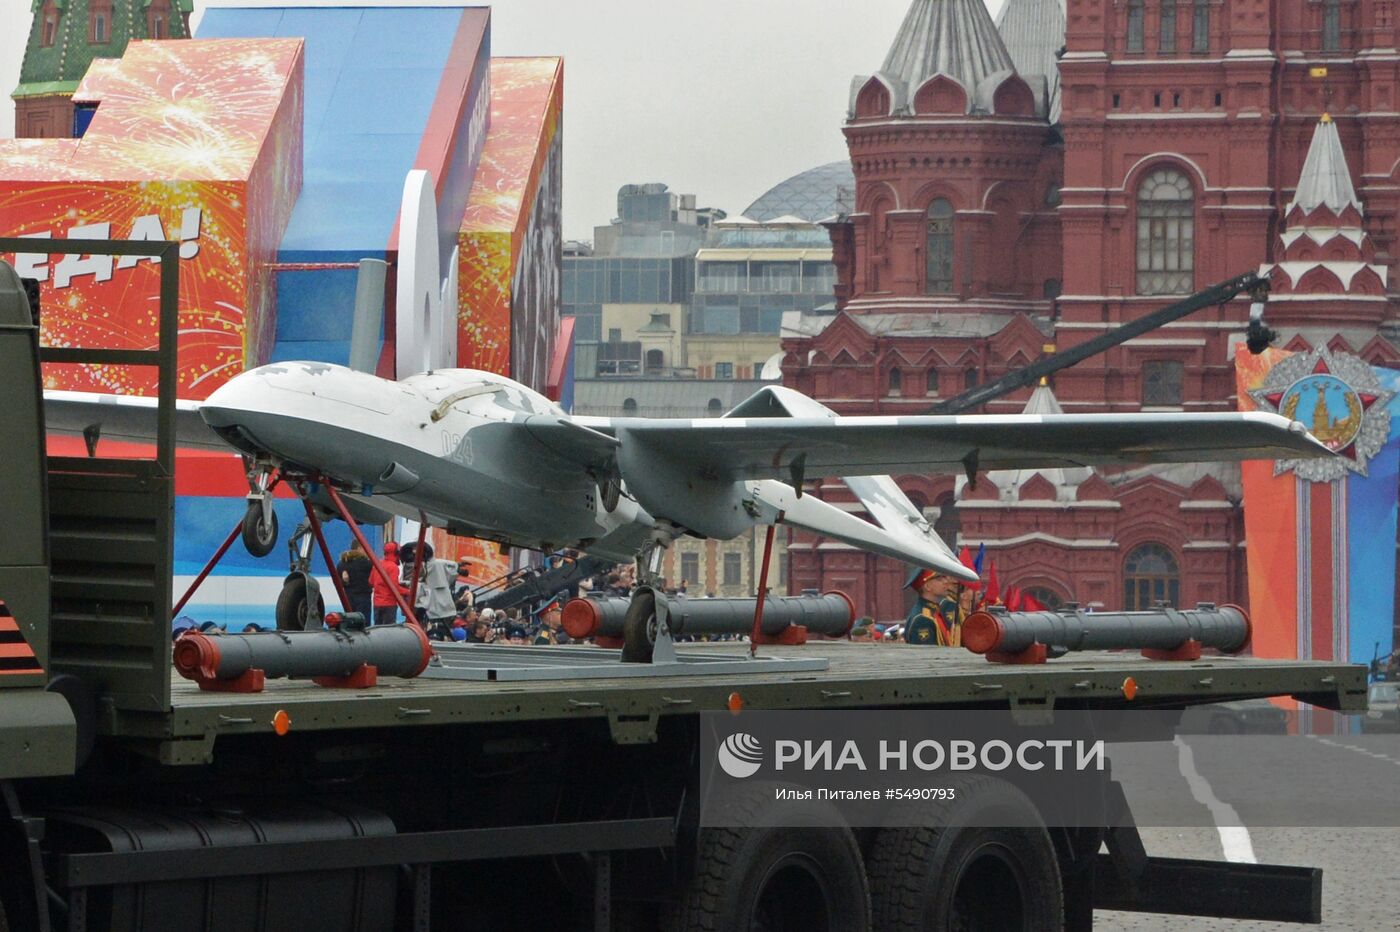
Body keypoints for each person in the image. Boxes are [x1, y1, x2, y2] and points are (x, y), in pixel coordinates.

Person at [903, 568, 961, 647]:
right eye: (939, 579)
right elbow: (928, 657)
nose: (946, 581)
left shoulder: (934, 611)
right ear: (927, 586)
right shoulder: (922, 619)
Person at [336, 541, 374, 621]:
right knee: (363, 621)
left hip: (348, 596)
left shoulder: (341, 564)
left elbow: (339, 582)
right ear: (359, 548)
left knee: (350, 620)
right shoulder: (365, 563)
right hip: (363, 596)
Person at [371, 541, 406, 626]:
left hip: (377, 603)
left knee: (377, 628)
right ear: (397, 553)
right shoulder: (393, 567)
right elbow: (394, 588)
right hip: (389, 604)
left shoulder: (377, 564)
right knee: (389, 631)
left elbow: (371, 581)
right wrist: (409, 591)